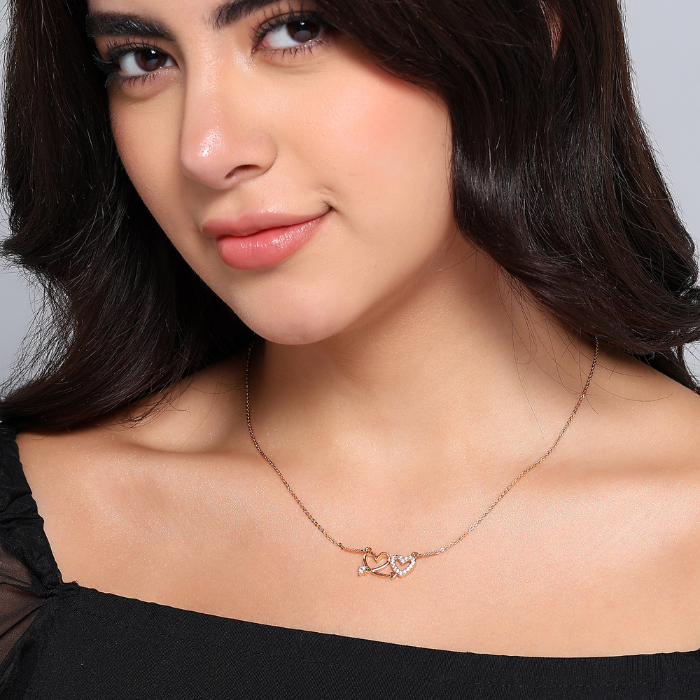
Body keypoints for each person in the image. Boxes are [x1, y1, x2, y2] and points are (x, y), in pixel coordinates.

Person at [1, 0, 699, 696]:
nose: (205, 152)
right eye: (143, 59)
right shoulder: (31, 533)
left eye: (296, 30)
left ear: (533, 27)